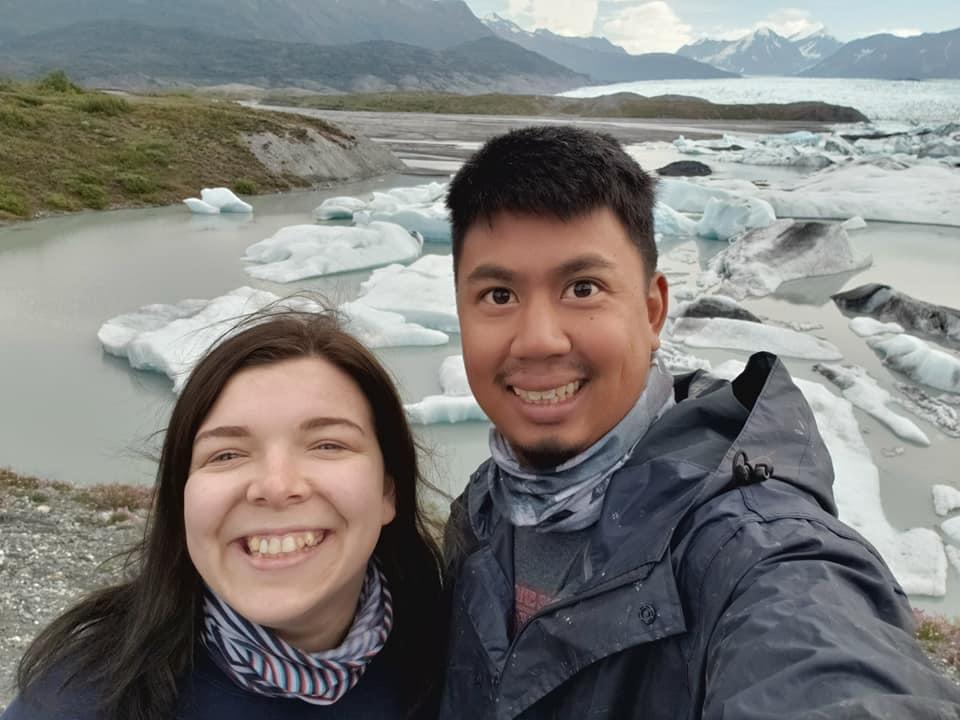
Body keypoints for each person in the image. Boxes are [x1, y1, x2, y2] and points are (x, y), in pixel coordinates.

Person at [439, 125, 960, 719]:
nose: (537, 340)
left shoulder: (748, 550)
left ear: (653, 309)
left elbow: (823, 666)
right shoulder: (485, 504)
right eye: (498, 296)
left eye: (582, 288)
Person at [5, 312, 445, 720]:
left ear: (389, 490)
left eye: (327, 445)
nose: (275, 486)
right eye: (227, 454)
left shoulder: (463, 664)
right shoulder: (76, 703)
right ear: (182, 499)